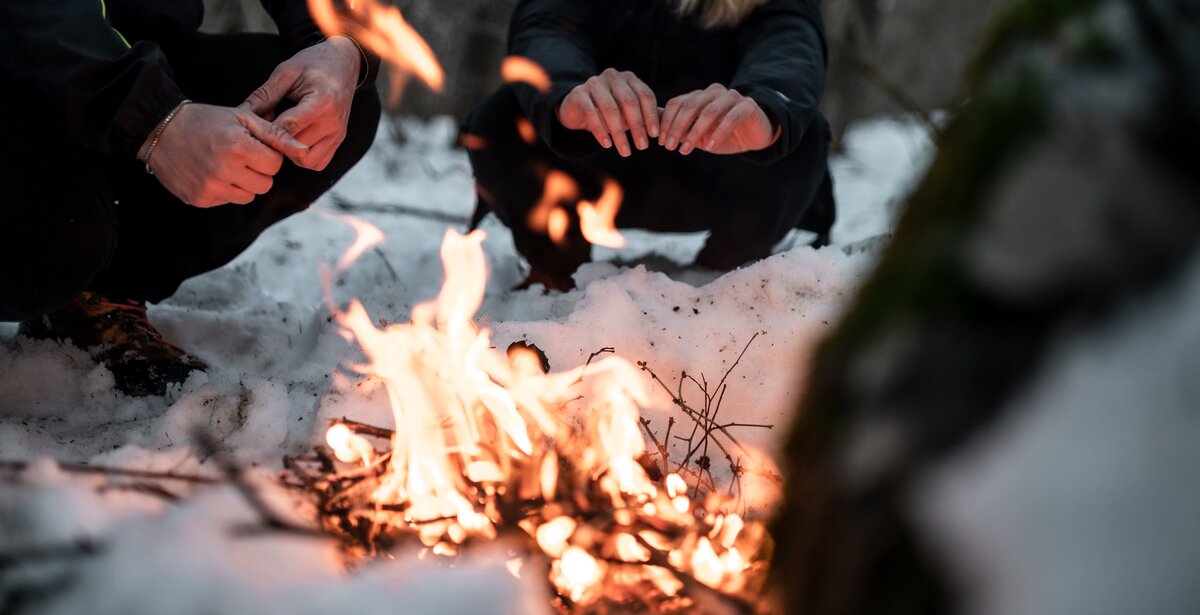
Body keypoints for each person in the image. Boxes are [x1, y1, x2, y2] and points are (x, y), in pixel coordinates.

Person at [0, 0, 382, 396]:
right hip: (18, 70)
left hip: (134, 51)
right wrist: (153, 120)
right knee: (60, 232)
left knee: (345, 107)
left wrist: (342, 43)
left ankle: (101, 295)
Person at [465, 0, 835, 291]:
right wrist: (566, 93)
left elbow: (790, 34)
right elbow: (545, 24)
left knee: (796, 129)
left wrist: (765, 102)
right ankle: (554, 269)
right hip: (590, 158)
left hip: (717, 169)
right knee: (503, 116)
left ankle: (725, 280)